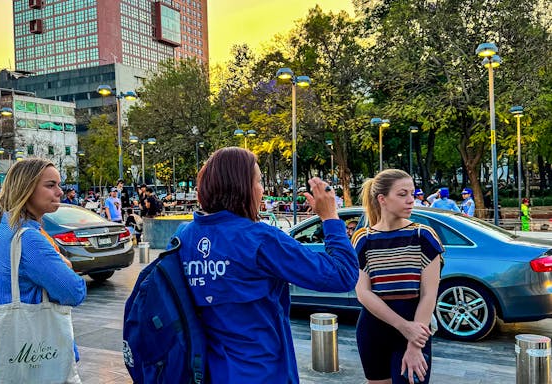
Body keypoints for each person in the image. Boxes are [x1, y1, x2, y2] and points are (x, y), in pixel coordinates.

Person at [178, 147, 359, 383]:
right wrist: (330, 217)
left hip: (206, 370)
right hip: (261, 371)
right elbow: (342, 274)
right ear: (243, 187)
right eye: (259, 181)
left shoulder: (184, 236)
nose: (262, 189)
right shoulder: (260, 239)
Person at [0, 158, 87, 383]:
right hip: (36, 359)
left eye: (59, 184)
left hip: (11, 352)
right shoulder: (29, 240)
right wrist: (66, 266)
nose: (60, 191)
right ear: (26, 189)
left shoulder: (8, 228)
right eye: (50, 185)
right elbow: (74, 292)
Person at [352, 169, 443, 384]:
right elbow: (363, 292)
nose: (411, 200)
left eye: (412, 193)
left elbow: (429, 294)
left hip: (417, 327)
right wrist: (403, 327)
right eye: (403, 194)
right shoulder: (363, 239)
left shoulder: (423, 236)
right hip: (373, 329)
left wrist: (414, 343)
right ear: (382, 199)